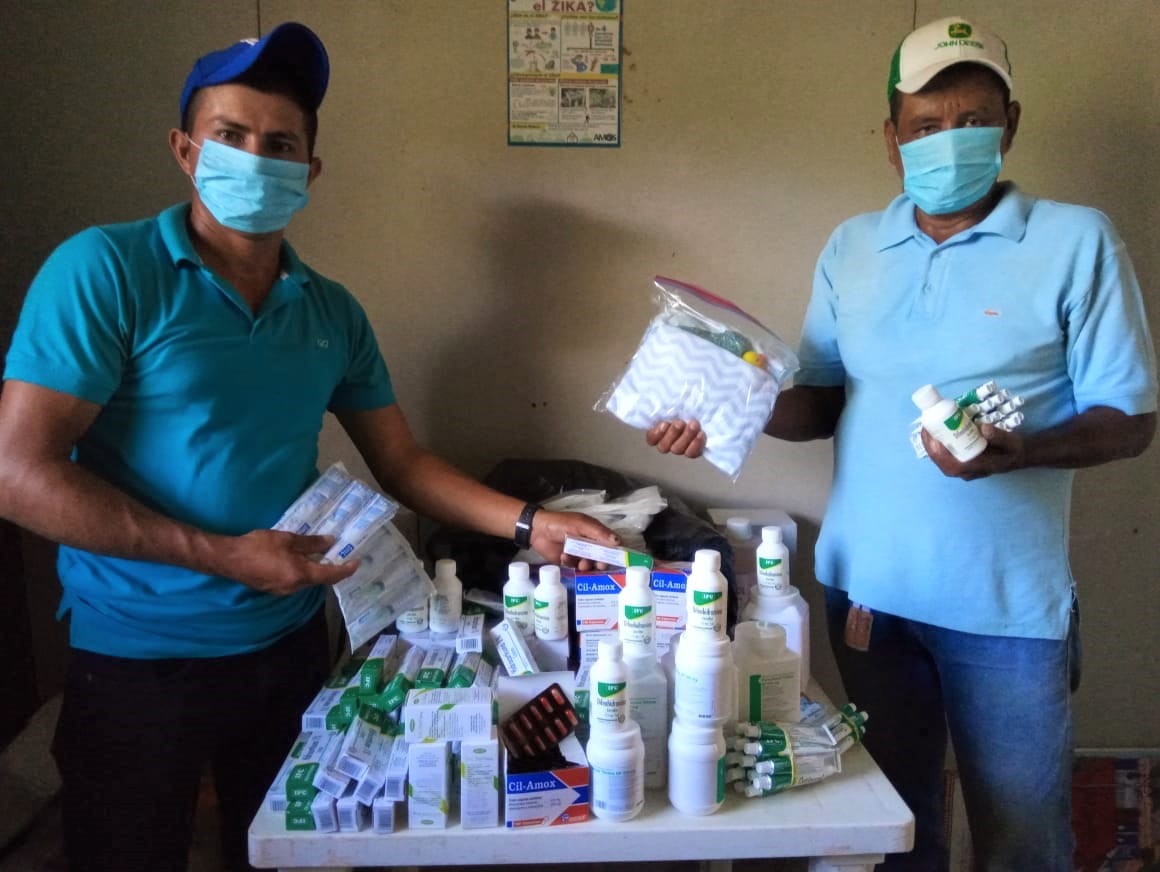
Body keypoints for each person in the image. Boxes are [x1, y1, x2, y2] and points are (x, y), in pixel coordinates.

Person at [0, 23, 616, 872]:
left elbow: (402, 464)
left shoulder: (331, 313)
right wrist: (223, 556)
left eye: (280, 144)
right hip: (141, 659)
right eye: (231, 136)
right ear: (186, 150)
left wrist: (531, 524)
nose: (256, 159)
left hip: (289, 650)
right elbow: (17, 475)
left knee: (290, 857)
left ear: (308, 172)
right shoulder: (105, 271)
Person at [648, 16, 1156, 872]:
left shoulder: (1077, 241)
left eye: (973, 120)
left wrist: (1018, 451)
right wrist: (726, 407)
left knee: (1022, 841)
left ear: (1011, 123)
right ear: (892, 140)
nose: (949, 141)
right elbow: (817, 402)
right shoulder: (854, 247)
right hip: (869, 599)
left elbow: (1131, 418)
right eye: (926, 125)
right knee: (894, 830)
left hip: (1007, 613)